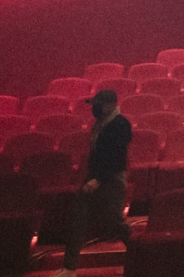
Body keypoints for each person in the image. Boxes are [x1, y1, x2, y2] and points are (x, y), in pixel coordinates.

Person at [63, 89, 131, 271]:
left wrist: (98, 179)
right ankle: (69, 268)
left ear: (110, 105)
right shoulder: (100, 123)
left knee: (115, 222)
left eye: (98, 104)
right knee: (78, 218)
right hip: (94, 178)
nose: (95, 108)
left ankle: (140, 255)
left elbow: (117, 158)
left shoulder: (120, 124)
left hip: (111, 180)